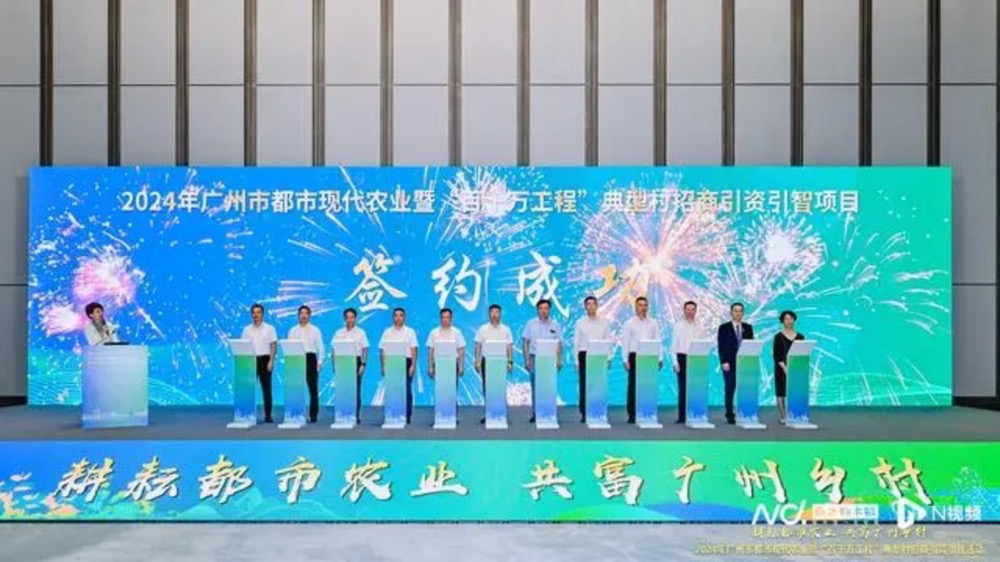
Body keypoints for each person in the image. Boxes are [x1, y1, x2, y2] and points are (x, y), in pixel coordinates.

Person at [620, 296, 663, 424]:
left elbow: (658, 341)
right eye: (640, 305)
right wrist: (625, 359)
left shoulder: (653, 323)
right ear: (636, 307)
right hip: (635, 356)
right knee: (633, 386)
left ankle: (647, 412)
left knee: (648, 385)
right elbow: (625, 342)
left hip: (649, 356)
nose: (643, 307)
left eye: (645, 305)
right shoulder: (629, 323)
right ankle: (632, 414)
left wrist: (660, 357)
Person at [521, 299, 563, 423]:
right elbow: (525, 341)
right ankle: (536, 413)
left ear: (549, 310)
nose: (543, 311)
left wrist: (559, 359)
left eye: (546, 308)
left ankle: (549, 411)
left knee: (549, 386)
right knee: (535, 386)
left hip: (550, 358)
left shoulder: (555, 324)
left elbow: (559, 343)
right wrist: (526, 359)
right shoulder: (531, 323)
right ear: (537, 310)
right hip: (534, 357)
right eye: (541, 308)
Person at [572, 295, 612, 423]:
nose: (591, 306)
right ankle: (584, 413)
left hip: (599, 355)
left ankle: (598, 410)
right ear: (585, 307)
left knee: (599, 385)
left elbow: (608, 340)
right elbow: (576, 343)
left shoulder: (604, 322)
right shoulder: (580, 322)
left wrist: (609, 358)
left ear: (597, 306)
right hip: (584, 355)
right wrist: (576, 361)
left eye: (593, 304)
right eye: (588, 304)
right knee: (585, 385)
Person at [474, 304, 514, 424]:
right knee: (487, 387)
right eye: (492, 312)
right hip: (487, 361)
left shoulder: (506, 329)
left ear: (500, 314)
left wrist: (510, 361)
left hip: (501, 361)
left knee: (500, 387)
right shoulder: (483, 329)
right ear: (489, 314)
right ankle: (489, 413)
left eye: (497, 312)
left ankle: (500, 413)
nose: (495, 315)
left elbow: (509, 346)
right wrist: (477, 360)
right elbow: (478, 345)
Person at [378, 307, 419, 424]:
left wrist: (413, 365)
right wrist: (383, 365)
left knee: (406, 389)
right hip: (391, 362)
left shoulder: (410, 331)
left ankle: (406, 415)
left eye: (401, 315)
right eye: (396, 315)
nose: (398, 318)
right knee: (392, 389)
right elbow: (382, 350)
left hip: (406, 361)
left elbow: (414, 349)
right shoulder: (387, 332)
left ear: (404, 317)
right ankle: (392, 413)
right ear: (393, 317)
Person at [716, 302, 754, 425]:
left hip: (744, 363)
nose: (738, 313)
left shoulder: (748, 327)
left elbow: (751, 345)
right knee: (730, 387)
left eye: (740, 311)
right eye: (735, 311)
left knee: (745, 388)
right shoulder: (724, 327)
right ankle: (729, 414)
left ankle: (745, 412)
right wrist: (723, 362)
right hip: (729, 363)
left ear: (743, 313)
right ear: (731, 312)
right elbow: (721, 346)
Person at [426, 308, 466, 421]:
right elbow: (430, 350)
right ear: (440, 318)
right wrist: (430, 366)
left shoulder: (457, 332)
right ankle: (440, 416)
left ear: (451, 318)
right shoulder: (434, 333)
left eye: (447, 317)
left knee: (452, 391)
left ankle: (452, 416)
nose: (445, 319)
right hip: (439, 365)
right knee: (440, 391)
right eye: (443, 317)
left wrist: (461, 365)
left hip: (452, 364)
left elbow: (461, 350)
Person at [331, 307, 369, 424]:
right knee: (342, 390)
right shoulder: (338, 333)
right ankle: (342, 414)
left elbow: (365, 349)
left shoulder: (361, 332)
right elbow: (333, 349)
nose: (350, 320)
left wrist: (363, 364)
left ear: (355, 318)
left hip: (355, 361)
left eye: (352, 317)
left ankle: (354, 416)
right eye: (347, 317)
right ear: (344, 319)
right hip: (342, 362)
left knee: (355, 390)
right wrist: (334, 364)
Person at [241, 303, 278, 423]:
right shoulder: (246, 330)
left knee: (267, 389)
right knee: (248, 388)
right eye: (253, 312)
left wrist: (271, 361)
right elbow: (243, 346)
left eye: (258, 312)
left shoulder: (270, 328)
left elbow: (273, 345)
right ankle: (246, 413)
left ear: (262, 314)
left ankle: (268, 415)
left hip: (265, 359)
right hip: (251, 360)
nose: (255, 315)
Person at [670, 300, 705, 424]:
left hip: (697, 359)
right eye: (688, 309)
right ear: (684, 311)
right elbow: (673, 346)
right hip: (682, 358)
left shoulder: (700, 326)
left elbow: (703, 343)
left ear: (696, 311)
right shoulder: (678, 326)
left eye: (692, 309)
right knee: (683, 388)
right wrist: (675, 362)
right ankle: (682, 416)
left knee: (696, 387)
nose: (690, 311)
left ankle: (696, 413)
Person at [288, 305, 325, 423]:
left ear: (309, 315)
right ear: (298, 315)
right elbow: (289, 347)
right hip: (296, 359)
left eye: (306, 313)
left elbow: (321, 348)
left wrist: (319, 362)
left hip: (310, 359)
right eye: (301, 313)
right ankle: (296, 413)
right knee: (295, 388)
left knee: (313, 388)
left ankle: (313, 415)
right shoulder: (292, 330)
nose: (303, 315)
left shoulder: (315, 330)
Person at [772, 310, 804, 425]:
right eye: (786, 319)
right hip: (781, 369)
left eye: (791, 318)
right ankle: (783, 416)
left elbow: (802, 353)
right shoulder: (778, 337)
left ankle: (795, 414)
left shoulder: (800, 336)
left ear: (794, 320)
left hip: (796, 369)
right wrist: (784, 367)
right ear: (782, 321)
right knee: (781, 392)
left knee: (795, 392)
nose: (789, 321)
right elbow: (777, 355)